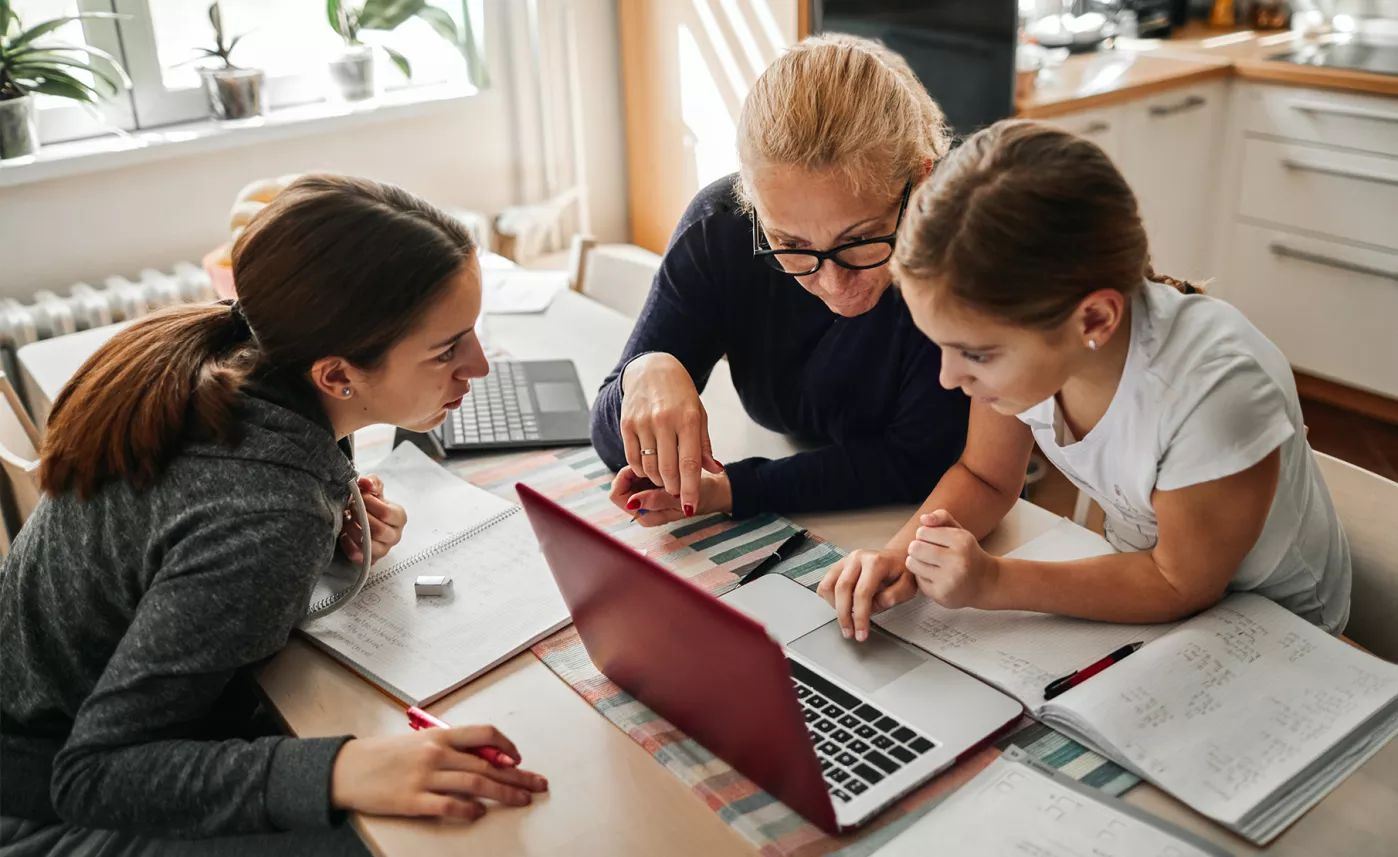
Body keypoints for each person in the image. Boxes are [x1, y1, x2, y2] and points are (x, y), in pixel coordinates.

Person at [0, 175, 549, 856]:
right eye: (447, 348)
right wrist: (343, 767)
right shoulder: (266, 509)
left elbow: (188, 536)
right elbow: (93, 775)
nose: (480, 366)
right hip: (45, 804)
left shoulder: (244, 361)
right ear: (338, 376)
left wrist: (323, 526)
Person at [820, 120, 1351, 640]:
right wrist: (900, 558)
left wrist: (995, 581)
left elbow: (1180, 582)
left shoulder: (1215, 391)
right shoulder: (1038, 350)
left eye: (974, 354)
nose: (947, 377)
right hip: (1141, 581)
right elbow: (984, 476)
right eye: (941, 345)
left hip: (1280, 631)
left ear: (1095, 320)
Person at [592, 34, 970, 527]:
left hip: (927, 519)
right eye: (790, 246)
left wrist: (732, 489)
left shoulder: (957, 250)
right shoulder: (720, 230)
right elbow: (608, 439)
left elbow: (916, 461)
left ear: (920, 181)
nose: (833, 283)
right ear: (750, 201)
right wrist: (642, 371)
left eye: (860, 240)